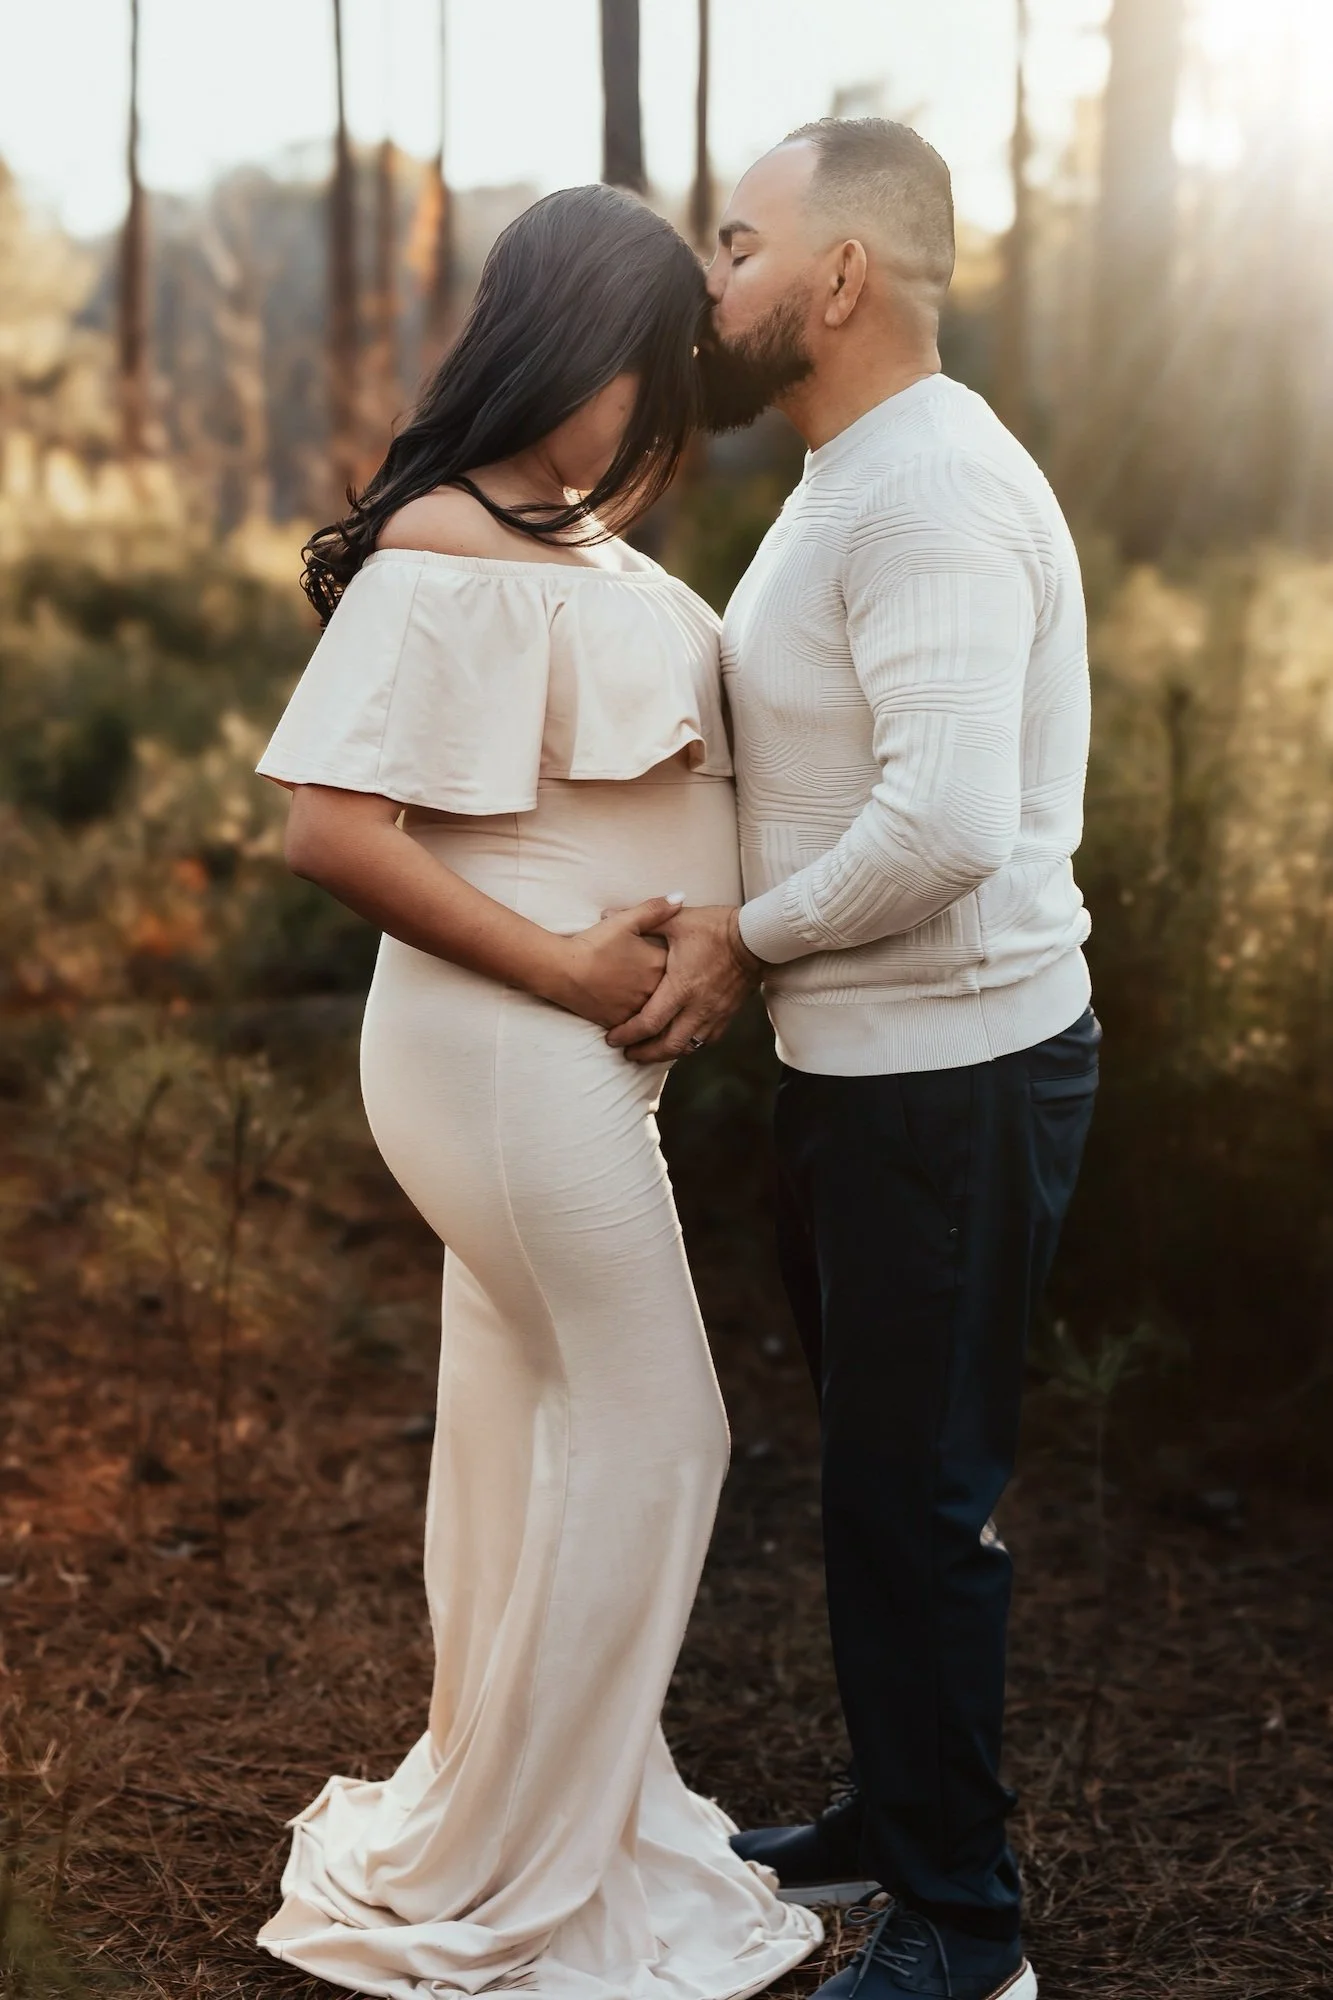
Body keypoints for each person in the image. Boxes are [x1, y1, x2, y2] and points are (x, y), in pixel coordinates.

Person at [250, 183, 821, 2000]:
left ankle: (529, 1804)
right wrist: (578, 967)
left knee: (530, 1435)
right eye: (645, 367)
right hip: (502, 1050)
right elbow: (330, 831)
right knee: (669, 1427)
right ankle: (528, 1863)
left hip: (560, 1061)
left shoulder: (556, 529)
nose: (657, 410)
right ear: (573, 341)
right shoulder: (445, 544)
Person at [610, 120, 1100, 2000]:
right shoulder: (851, 475)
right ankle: (895, 1823)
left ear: (837, 279)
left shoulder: (924, 497)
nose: (706, 280)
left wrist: (746, 938)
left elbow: (952, 818)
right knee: (876, 1481)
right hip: (871, 1073)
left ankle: (969, 1927)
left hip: (954, 1080)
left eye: (737, 244)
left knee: (922, 1499)